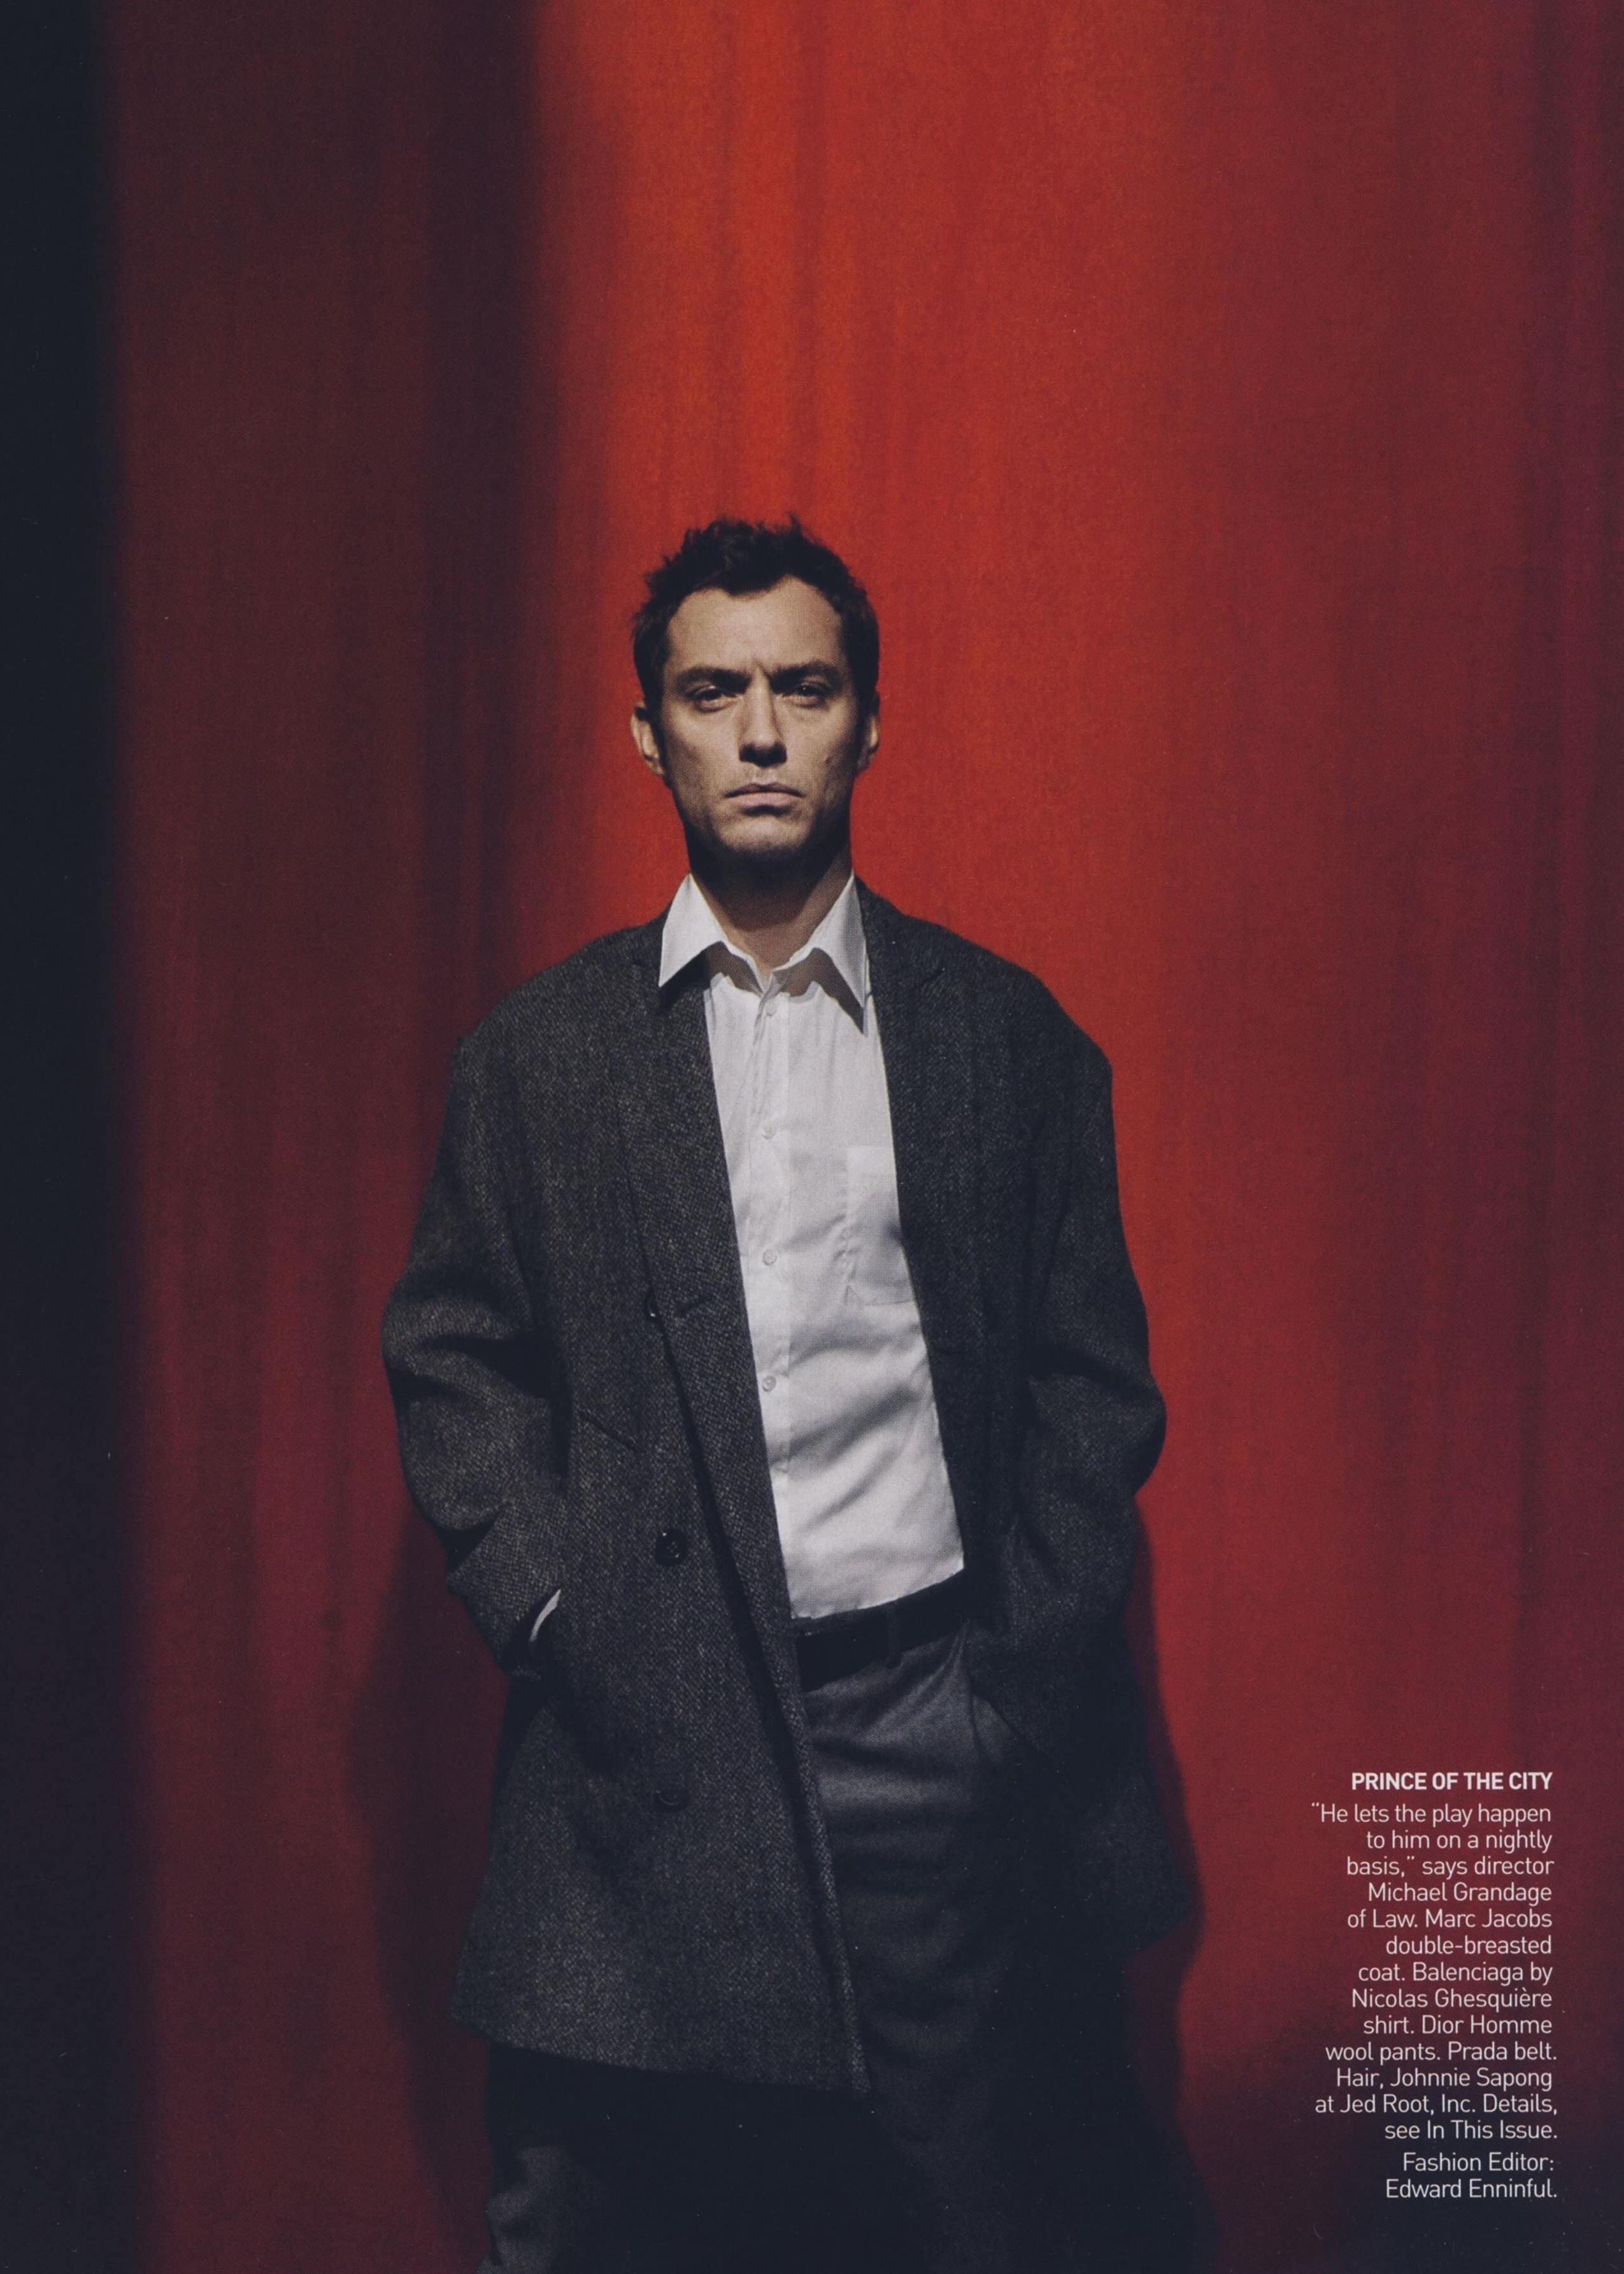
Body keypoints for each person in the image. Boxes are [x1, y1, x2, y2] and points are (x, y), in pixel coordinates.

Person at [383, 518, 1191, 2273]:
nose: (759, 732)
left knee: (969, 2220)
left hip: (928, 1727)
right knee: (591, 2224)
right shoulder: (536, 1059)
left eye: (803, 689)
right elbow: (452, 1355)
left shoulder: (1006, 1039)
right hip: (640, 1744)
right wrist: (558, 1609)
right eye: (712, 692)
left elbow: (1091, 1388)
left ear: (868, 723)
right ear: (648, 733)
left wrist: (1003, 1697)